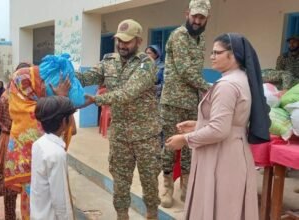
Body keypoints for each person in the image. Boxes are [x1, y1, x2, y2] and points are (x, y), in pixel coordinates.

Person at [166, 33, 270, 220]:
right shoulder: (240, 78)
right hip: (232, 150)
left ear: (233, 55)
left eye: (217, 52)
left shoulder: (227, 86)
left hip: (222, 156)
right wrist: (198, 125)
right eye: (212, 52)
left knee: (219, 210)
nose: (212, 57)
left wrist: (184, 139)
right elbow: (231, 122)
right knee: (228, 210)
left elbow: (219, 130)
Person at [78, 19, 161, 219]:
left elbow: (127, 93)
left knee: (149, 183)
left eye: (127, 41)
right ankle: (121, 216)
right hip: (120, 136)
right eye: (119, 40)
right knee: (120, 185)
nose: (122, 45)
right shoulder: (108, 61)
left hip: (146, 136)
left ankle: (152, 215)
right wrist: (62, 74)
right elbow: (87, 77)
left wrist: (96, 99)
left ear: (138, 41)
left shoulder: (146, 64)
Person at [159, 0, 211, 207]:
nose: (197, 21)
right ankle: (167, 187)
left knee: (191, 144)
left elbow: (195, 71)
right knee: (171, 143)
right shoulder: (179, 35)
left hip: (192, 102)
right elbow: (185, 70)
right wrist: (210, 87)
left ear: (207, 18)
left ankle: (187, 188)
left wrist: (203, 92)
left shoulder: (202, 39)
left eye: (201, 17)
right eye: (194, 16)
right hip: (172, 101)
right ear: (187, 13)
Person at [4, 65, 70, 220]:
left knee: (33, 208)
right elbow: (68, 129)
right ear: (27, 87)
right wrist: (61, 99)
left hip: (34, 175)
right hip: (42, 177)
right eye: (39, 82)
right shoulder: (40, 112)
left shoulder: (19, 108)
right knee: (47, 205)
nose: (43, 85)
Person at [0, 62, 30, 220]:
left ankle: (11, 217)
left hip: (9, 142)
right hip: (22, 143)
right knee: (24, 184)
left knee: (12, 185)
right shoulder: (33, 99)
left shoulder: (5, 96)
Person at [30, 96, 76, 220]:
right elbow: (60, 197)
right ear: (63, 122)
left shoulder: (39, 144)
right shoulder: (57, 154)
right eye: (71, 117)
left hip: (38, 213)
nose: (73, 120)